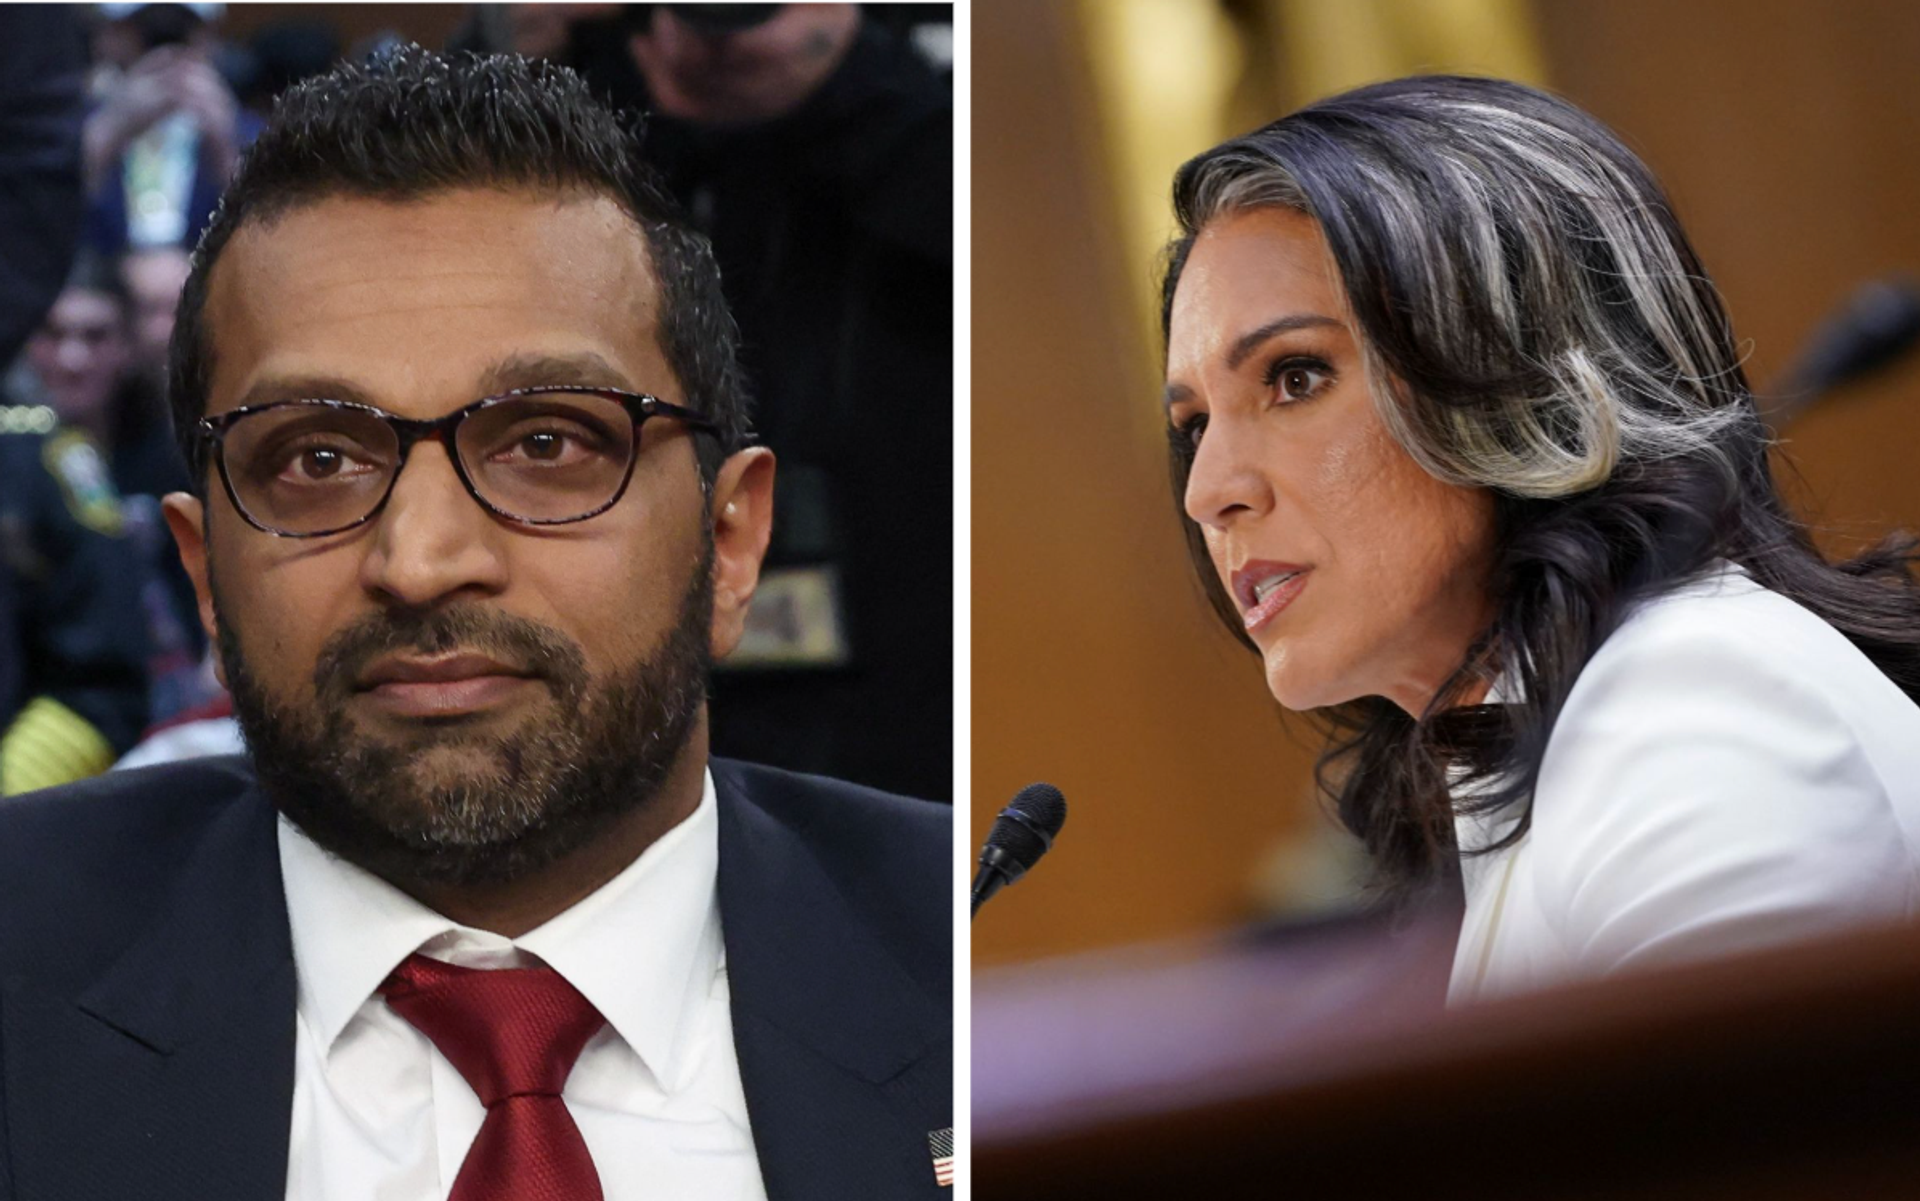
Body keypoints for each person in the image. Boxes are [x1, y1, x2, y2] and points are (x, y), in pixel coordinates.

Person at [0, 48, 950, 1200]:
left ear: (732, 539)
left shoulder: (981, 962)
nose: (423, 561)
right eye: (316, 459)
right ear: (205, 572)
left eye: (547, 444)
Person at [1156, 75, 1920, 1004]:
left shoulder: (1689, 697)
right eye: (1195, 423)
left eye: (1296, 377)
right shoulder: (1554, 757)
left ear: (1518, 373)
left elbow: (1780, 1145)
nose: (1209, 492)